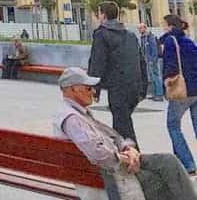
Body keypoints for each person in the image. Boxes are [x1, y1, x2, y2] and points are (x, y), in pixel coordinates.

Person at [54, 67, 197, 200]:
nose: (93, 92)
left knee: (168, 161)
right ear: (73, 89)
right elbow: (99, 154)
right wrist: (126, 158)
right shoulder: (72, 119)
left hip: (109, 169)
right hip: (111, 176)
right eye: (89, 88)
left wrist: (128, 149)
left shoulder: (76, 113)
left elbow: (111, 136)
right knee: (167, 181)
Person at [88, 1, 147, 144]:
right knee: (123, 123)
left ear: (103, 15)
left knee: (122, 127)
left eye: (99, 13)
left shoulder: (101, 34)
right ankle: (128, 156)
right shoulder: (131, 36)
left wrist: (94, 88)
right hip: (134, 86)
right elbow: (141, 62)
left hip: (118, 87)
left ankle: (133, 159)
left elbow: (97, 62)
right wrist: (143, 87)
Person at [160, 14, 197, 174]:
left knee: (173, 125)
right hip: (196, 89)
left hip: (182, 90)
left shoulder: (170, 41)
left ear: (169, 25)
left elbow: (170, 64)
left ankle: (188, 164)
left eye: (164, 24)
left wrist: (167, 81)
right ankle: (184, 161)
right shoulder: (189, 41)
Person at [139, 23, 163, 101]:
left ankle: (159, 95)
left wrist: (153, 60)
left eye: (140, 28)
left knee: (156, 77)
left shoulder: (150, 37)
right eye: (138, 29)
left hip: (152, 61)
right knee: (152, 78)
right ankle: (155, 94)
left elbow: (154, 49)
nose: (139, 30)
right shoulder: (143, 37)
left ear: (144, 28)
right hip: (147, 61)